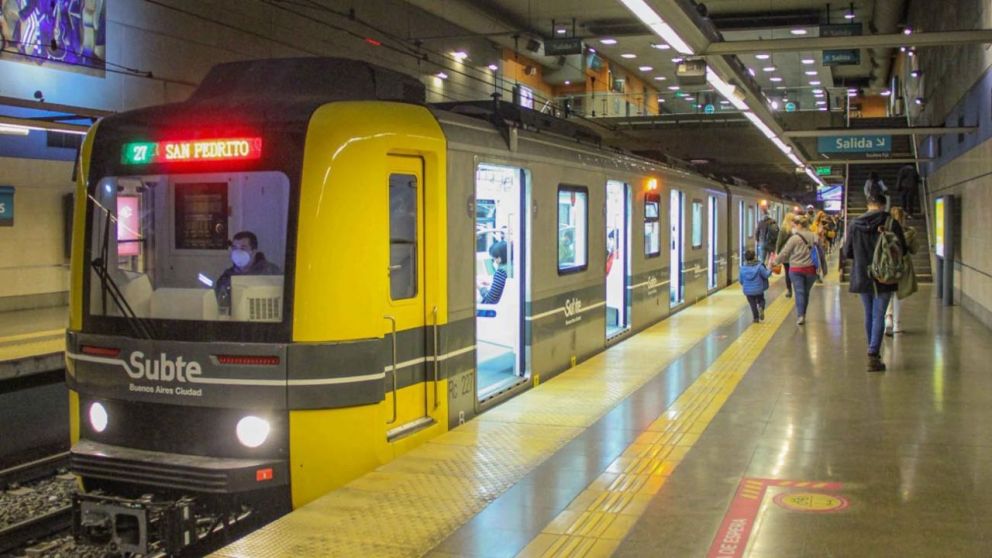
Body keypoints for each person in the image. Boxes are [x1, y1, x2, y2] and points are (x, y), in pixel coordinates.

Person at [843, 194, 908, 372]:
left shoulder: (854, 224)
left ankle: (873, 351)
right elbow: (902, 249)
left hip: (863, 274)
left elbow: (847, 252)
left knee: (869, 314)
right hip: (885, 275)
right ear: (883, 205)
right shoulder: (891, 223)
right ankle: (873, 354)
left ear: (868, 205)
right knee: (879, 314)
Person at [215, 231, 282, 312]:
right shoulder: (227, 277)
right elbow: (221, 305)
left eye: (243, 248)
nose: (237, 252)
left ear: (254, 251)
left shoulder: (271, 272)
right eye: (235, 248)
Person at [774, 215, 821, 325]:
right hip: (811, 270)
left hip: (796, 269)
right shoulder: (814, 236)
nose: (793, 227)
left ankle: (801, 316)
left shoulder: (794, 238)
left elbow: (785, 253)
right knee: (806, 292)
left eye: (794, 225)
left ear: (799, 225)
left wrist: (775, 262)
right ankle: (803, 313)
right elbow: (819, 250)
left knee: (799, 292)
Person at [885, 207, 918, 335]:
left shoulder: (885, 231)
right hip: (903, 265)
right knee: (900, 293)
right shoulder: (909, 233)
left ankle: (888, 317)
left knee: (888, 292)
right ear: (903, 218)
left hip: (888, 264)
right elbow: (914, 250)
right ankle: (897, 324)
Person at [739, 249, 771, 324]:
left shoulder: (742, 269)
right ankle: (761, 307)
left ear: (745, 258)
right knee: (761, 300)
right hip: (758, 289)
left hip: (748, 291)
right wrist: (770, 269)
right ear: (754, 257)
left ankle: (756, 318)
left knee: (752, 304)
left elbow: (741, 281)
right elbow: (766, 275)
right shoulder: (759, 267)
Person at [775, 213, 798, 298]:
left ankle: (789, 290)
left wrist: (778, 253)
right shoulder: (795, 229)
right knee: (794, 272)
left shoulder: (783, 229)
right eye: (793, 219)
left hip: (786, 253)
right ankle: (795, 290)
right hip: (794, 253)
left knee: (788, 272)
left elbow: (779, 242)